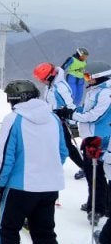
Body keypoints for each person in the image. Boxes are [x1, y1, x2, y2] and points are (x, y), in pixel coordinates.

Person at [0, 79, 67, 244]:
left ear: (15, 99)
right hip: (49, 188)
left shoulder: (13, 119)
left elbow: (5, 157)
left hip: (19, 189)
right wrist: (46, 172)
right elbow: (62, 152)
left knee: (8, 230)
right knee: (45, 233)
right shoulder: (53, 119)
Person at [55, 61, 111, 225]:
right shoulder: (97, 90)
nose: (86, 79)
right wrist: (71, 111)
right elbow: (86, 111)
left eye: (88, 76)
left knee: (96, 174)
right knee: (92, 173)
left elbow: (94, 116)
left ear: (99, 76)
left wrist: (72, 115)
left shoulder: (106, 93)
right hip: (91, 138)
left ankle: (98, 208)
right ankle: (97, 203)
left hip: (100, 140)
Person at [32, 62, 83, 171]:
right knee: (50, 143)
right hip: (52, 120)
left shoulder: (60, 87)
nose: (41, 82)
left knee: (67, 147)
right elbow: (50, 103)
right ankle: (49, 165)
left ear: (50, 76)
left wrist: (72, 123)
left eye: (42, 79)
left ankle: (85, 168)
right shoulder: (51, 85)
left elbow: (70, 106)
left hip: (61, 122)